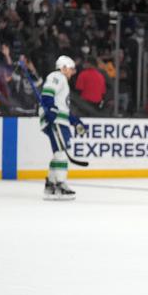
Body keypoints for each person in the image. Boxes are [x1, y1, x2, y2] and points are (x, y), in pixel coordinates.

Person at [39, 55, 86, 200]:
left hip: (60, 121)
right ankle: (60, 184)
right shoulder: (57, 76)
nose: (72, 72)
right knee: (61, 152)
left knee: (59, 152)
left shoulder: (63, 81)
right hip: (56, 121)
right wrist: (50, 109)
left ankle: (51, 184)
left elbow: (63, 108)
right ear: (63, 67)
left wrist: (75, 122)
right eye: (71, 69)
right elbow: (47, 94)